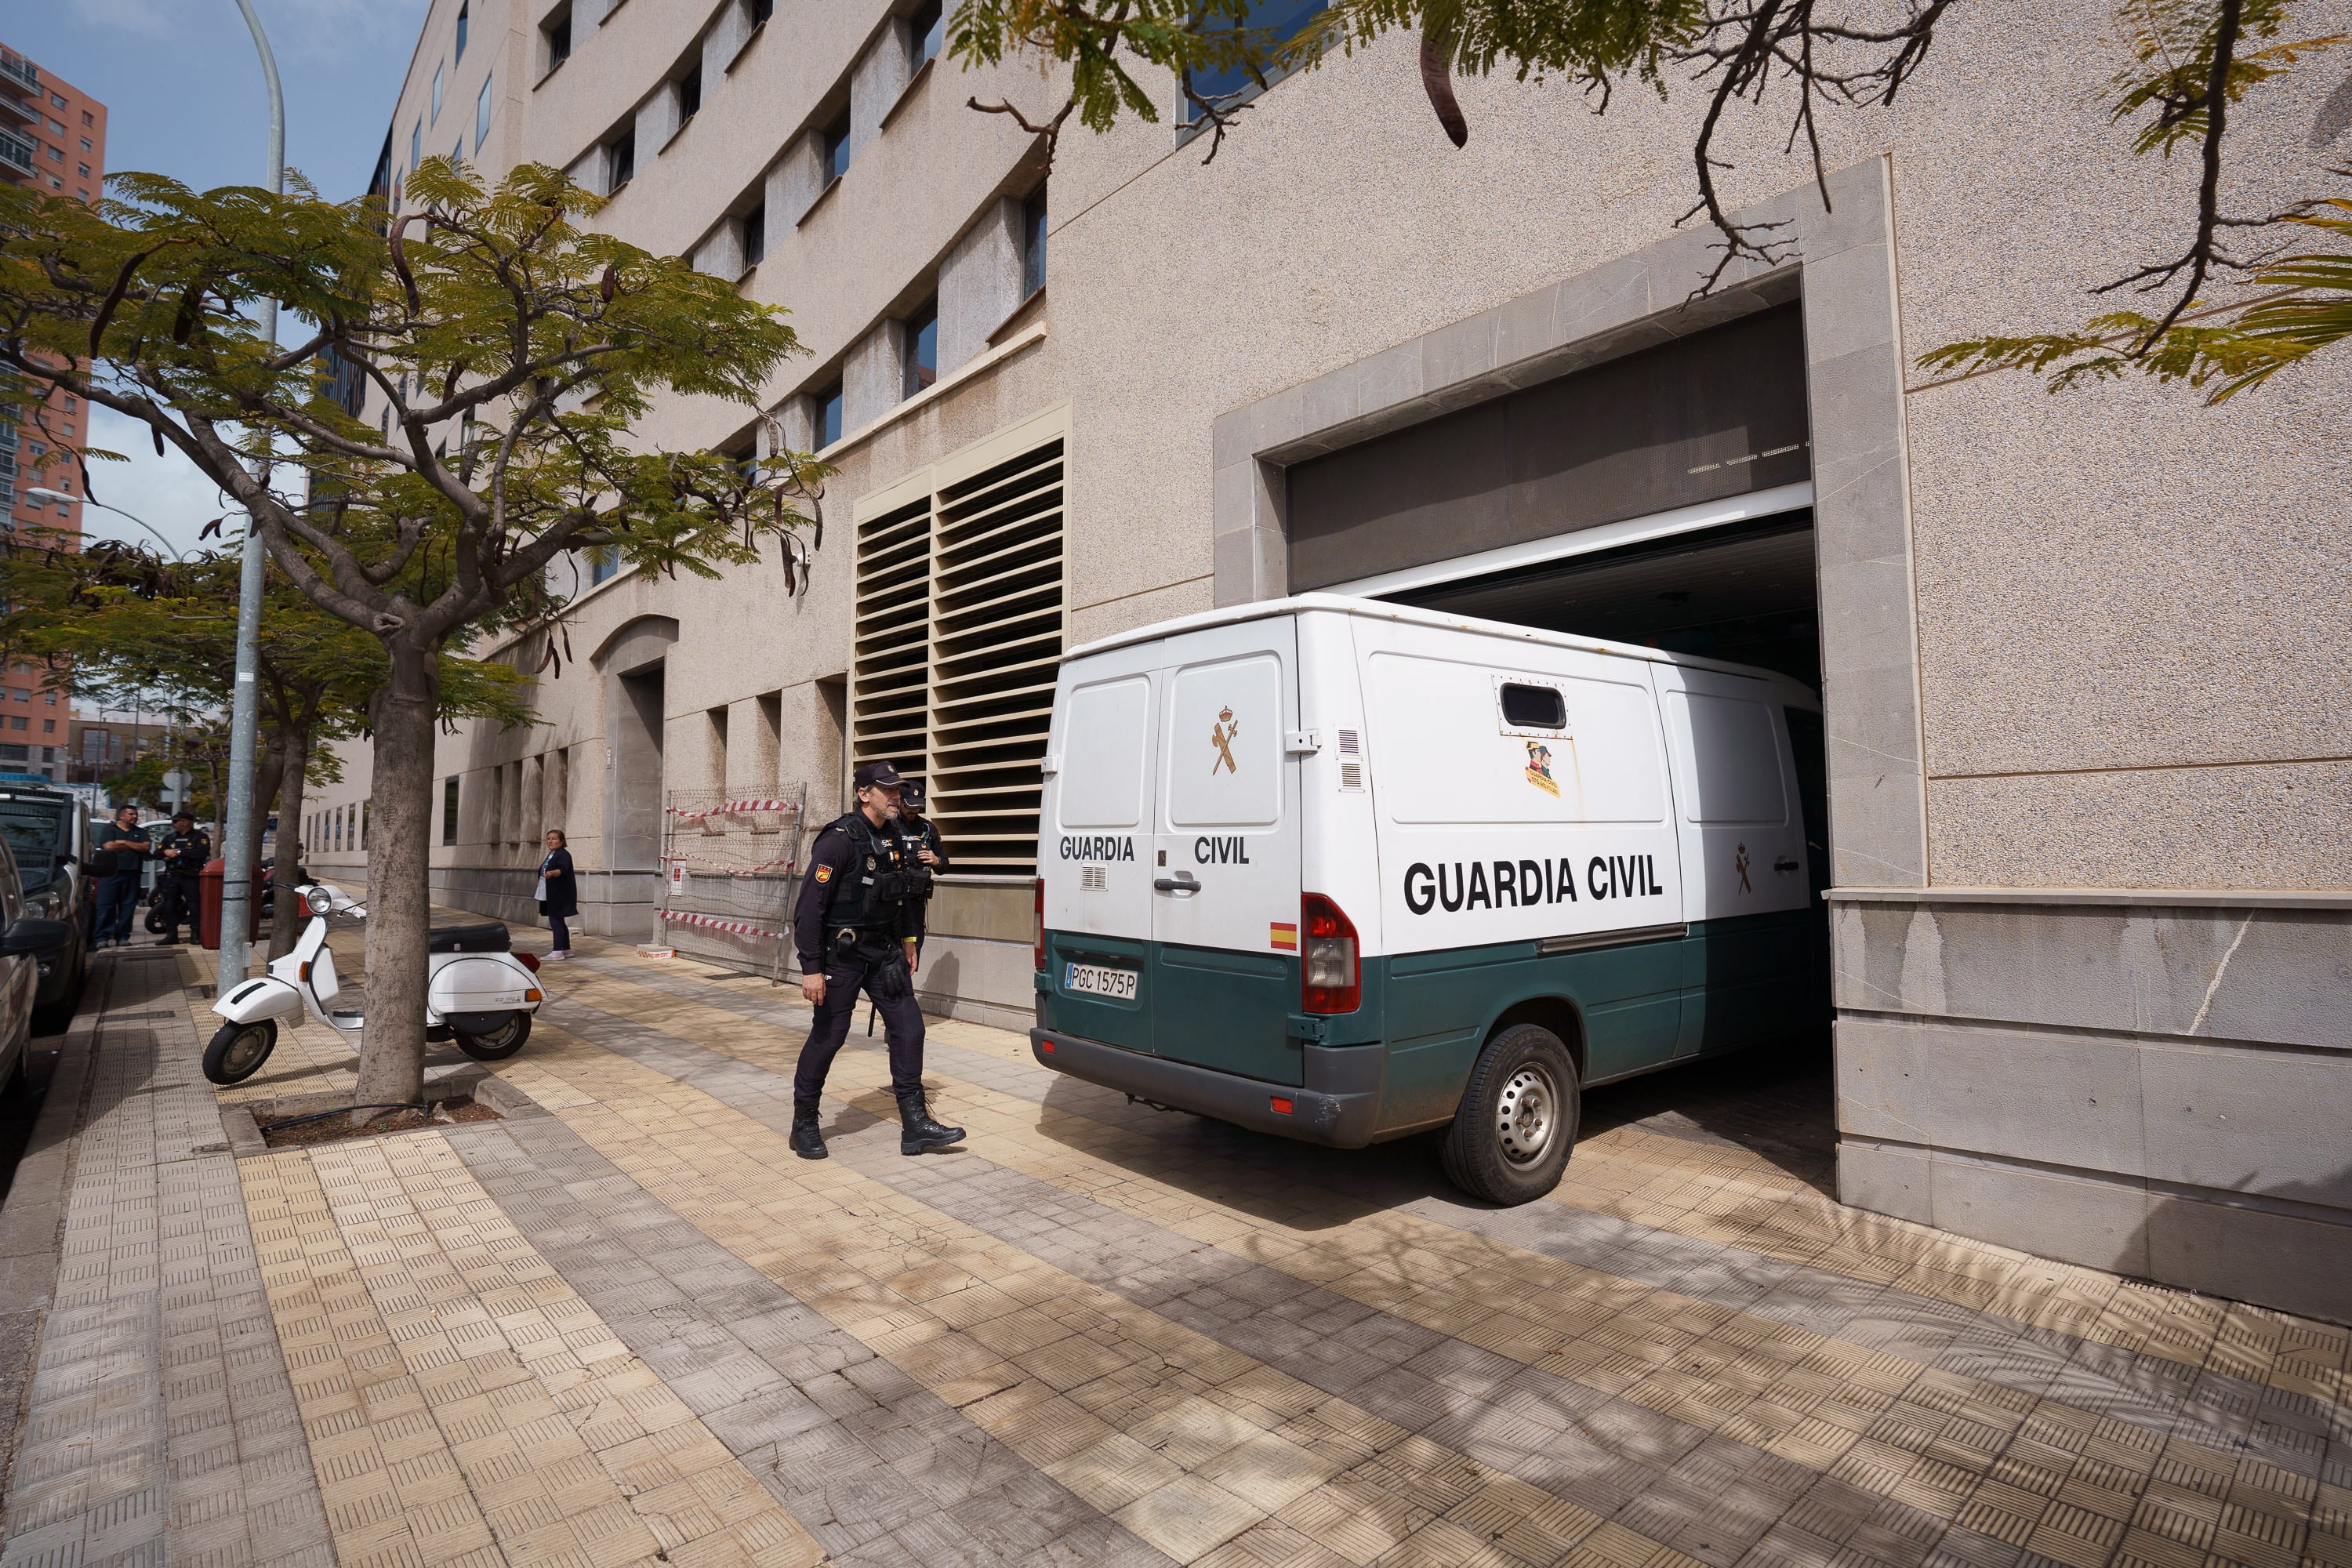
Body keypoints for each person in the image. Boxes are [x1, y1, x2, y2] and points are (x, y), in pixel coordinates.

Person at [787, 762, 964, 1160]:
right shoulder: (837, 840)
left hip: (885, 951)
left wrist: (908, 940)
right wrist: (811, 968)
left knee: (909, 1029)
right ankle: (804, 1124)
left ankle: (915, 1125)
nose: (896, 796)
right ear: (865, 793)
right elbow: (809, 910)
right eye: (888, 790)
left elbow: (904, 895)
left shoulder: (900, 836)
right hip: (842, 954)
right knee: (830, 1036)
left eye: (898, 790)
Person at [890, 777, 948, 970]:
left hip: (915, 905)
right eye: (909, 807)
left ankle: (904, 992)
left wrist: (936, 860)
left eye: (917, 807)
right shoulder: (888, 826)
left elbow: (945, 865)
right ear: (899, 801)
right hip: (891, 904)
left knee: (912, 956)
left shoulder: (928, 828)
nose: (913, 811)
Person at [93, 804, 150, 949]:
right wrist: (133, 846)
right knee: (106, 906)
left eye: (136, 814)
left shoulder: (140, 832)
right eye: (131, 814)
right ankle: (102, 937)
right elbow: (109, 846)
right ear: (121, 816)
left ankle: (123, 936)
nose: (135, 817)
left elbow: (145, 847)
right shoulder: (110, 830)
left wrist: (123, 842)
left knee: (128, 907)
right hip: (111, 874)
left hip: (132, 874)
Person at [151, 811, 211, 946]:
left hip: (190, 876)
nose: (173, 824)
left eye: (176, 821)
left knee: (194, 906)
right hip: (172, 876)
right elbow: (156, 854)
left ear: (186, 822)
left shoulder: (200, 837)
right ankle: (171, 935)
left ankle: (195, 935)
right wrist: (165, 852)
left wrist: (179, 853)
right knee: (169, 905)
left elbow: (201, 853)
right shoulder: (170, 838)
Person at [537, 829, 576, 960]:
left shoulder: (563, 855)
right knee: (559, 921)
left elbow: (563, 870)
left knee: (555, 921)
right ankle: (566, 949)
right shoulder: (553, 854)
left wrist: (552, 873)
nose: (550, 841)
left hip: (559, 894)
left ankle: (557, 951)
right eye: (549, 838)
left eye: (554, 839)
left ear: (562, 841)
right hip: (550, 892)